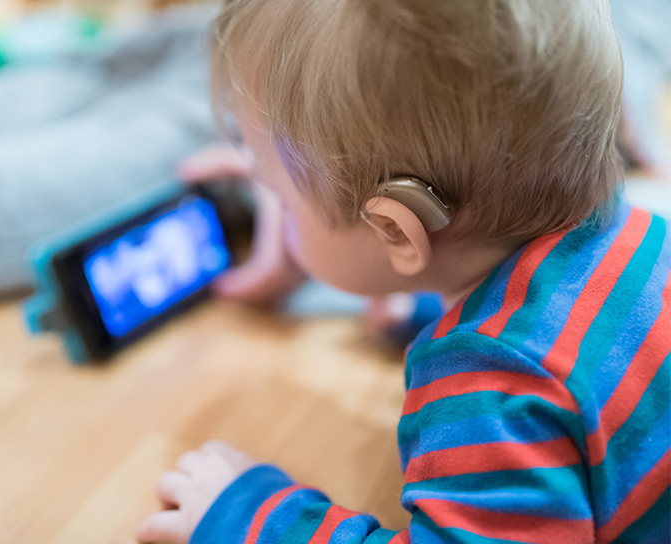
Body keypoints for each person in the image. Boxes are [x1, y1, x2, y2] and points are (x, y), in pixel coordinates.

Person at [136, 1, 671, 543]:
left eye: (281, 198)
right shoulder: (645, 239)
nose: (276, 211)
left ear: (396, 233)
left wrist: (255, 522)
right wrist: (433, 306)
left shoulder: (493, 395)